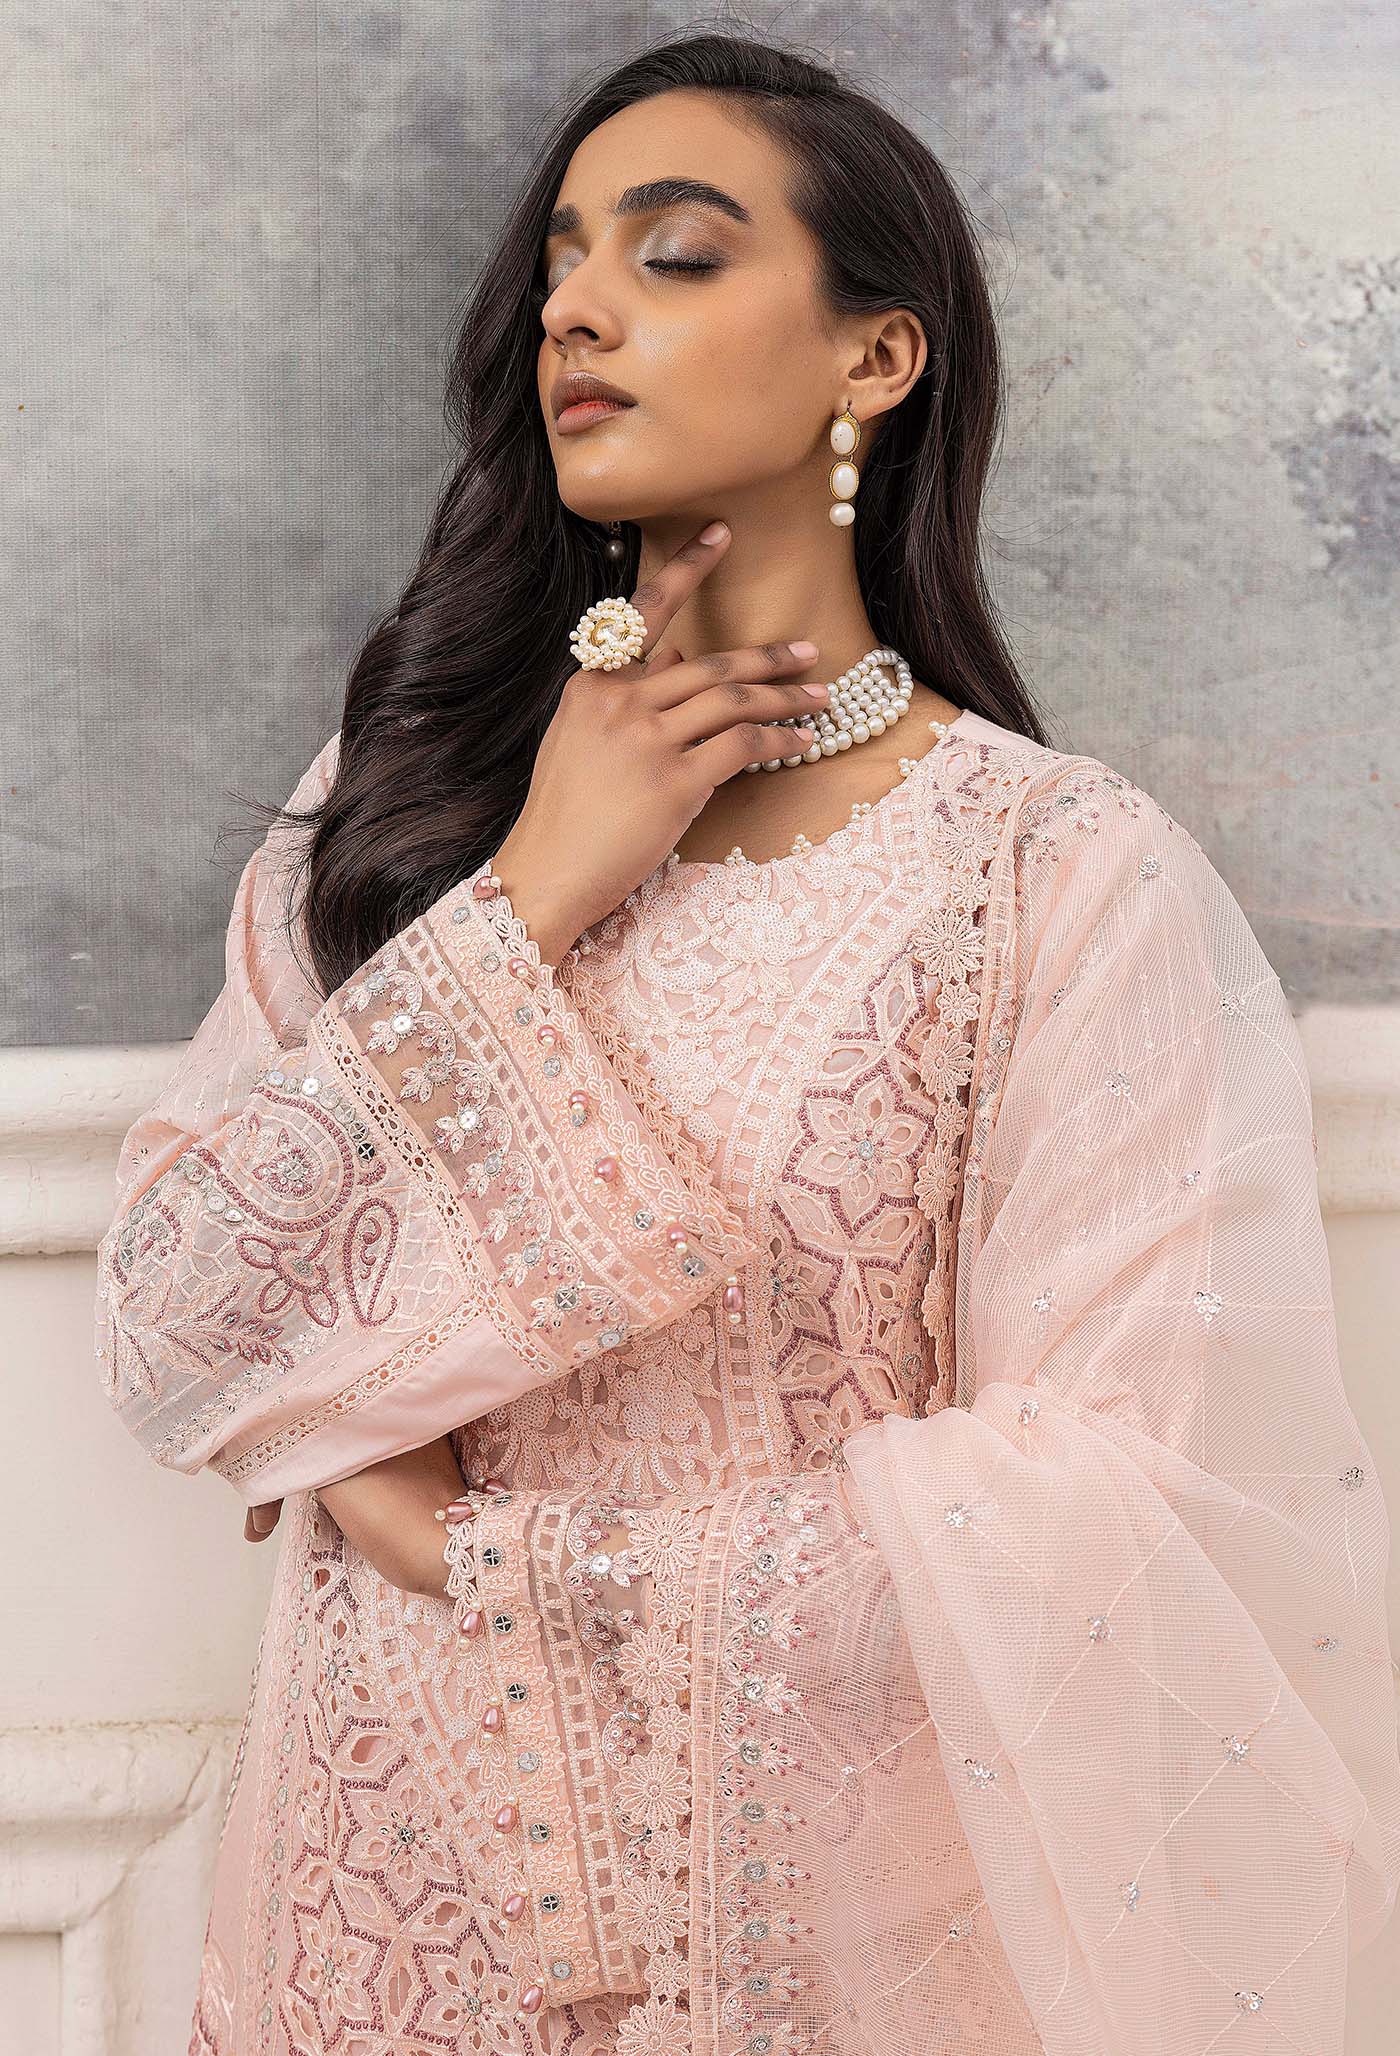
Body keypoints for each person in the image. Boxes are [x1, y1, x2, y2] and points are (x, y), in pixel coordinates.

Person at [94, 30, 1399, 2056]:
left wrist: (473, 1543)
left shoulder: (1047, 875)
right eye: (560, 261)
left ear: (875, 357)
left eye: (677, 253)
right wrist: (535, 886)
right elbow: (179, 1322)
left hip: (829, 1951)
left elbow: (1109, 1514)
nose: (576, 307)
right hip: (388, 1904)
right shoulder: (401, 809)